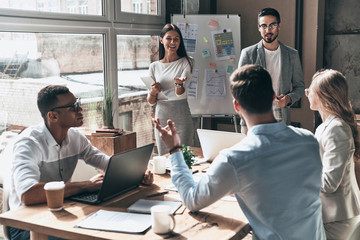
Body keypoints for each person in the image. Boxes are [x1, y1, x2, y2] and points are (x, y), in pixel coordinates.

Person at [154, 64, 326, 239]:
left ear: (236, 106)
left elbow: (192, 200)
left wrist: (175, 149)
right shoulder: (309, 141)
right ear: (273, 97)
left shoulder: (235, 159)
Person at [7, 85, 153, 240]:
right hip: (25, 225)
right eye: (73, 107)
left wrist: (136, 172)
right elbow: (28, 194)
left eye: (78, 103)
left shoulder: (75, 137)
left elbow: (107, 163)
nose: (80, 110)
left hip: (58, 213)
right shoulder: (29, 144)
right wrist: (86, 185)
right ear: (53, 116)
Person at [306, 69, 360, 239]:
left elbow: (329, 183)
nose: (306, 93)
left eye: (310, 90)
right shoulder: (324, 127)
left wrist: (298, 176)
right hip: (326, 214)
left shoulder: (337, 129)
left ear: (324, 96)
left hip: (338, 217)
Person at [238, 8, 304, 133]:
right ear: (259, 28)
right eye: (264, 26)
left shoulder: (292, 55)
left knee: (279, 153)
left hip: (281, 117)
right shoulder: (248, 54)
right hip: (253, 117)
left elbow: (300, 87)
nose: (268, 30)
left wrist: (288, 99)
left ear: (279, 26)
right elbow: (239, 88)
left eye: (272, 25)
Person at [147, 23, 194, 155]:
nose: (172, 42)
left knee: (184, 156)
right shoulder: (154, 66)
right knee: (164, 158)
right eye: (169, 38)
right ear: (161, 40)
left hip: (181, 113)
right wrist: (153, 92)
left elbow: (180, 93)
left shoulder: (187, 61)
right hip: (161, 113)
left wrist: (179, 84)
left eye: (176, 39)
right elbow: (151, 101)